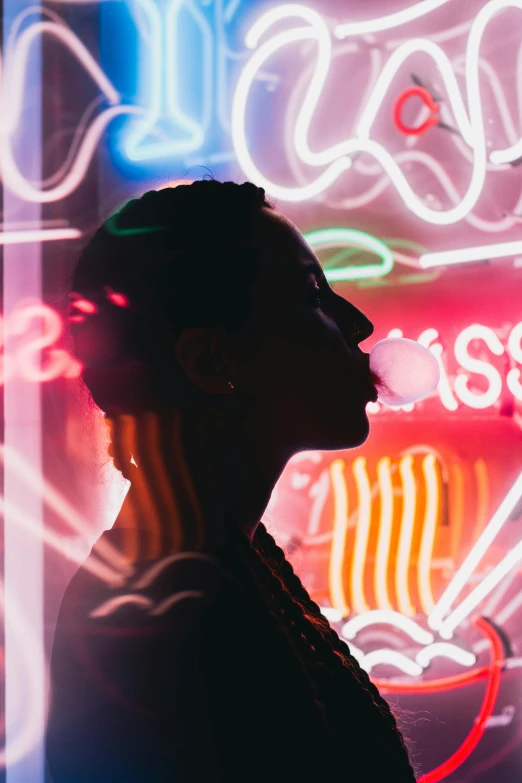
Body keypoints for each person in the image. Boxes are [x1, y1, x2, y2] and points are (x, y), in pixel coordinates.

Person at [46, 180, 417, 782]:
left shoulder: (213, 571)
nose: (358, 322)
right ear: (214, 363)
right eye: (312, 295)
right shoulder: (156, 620)